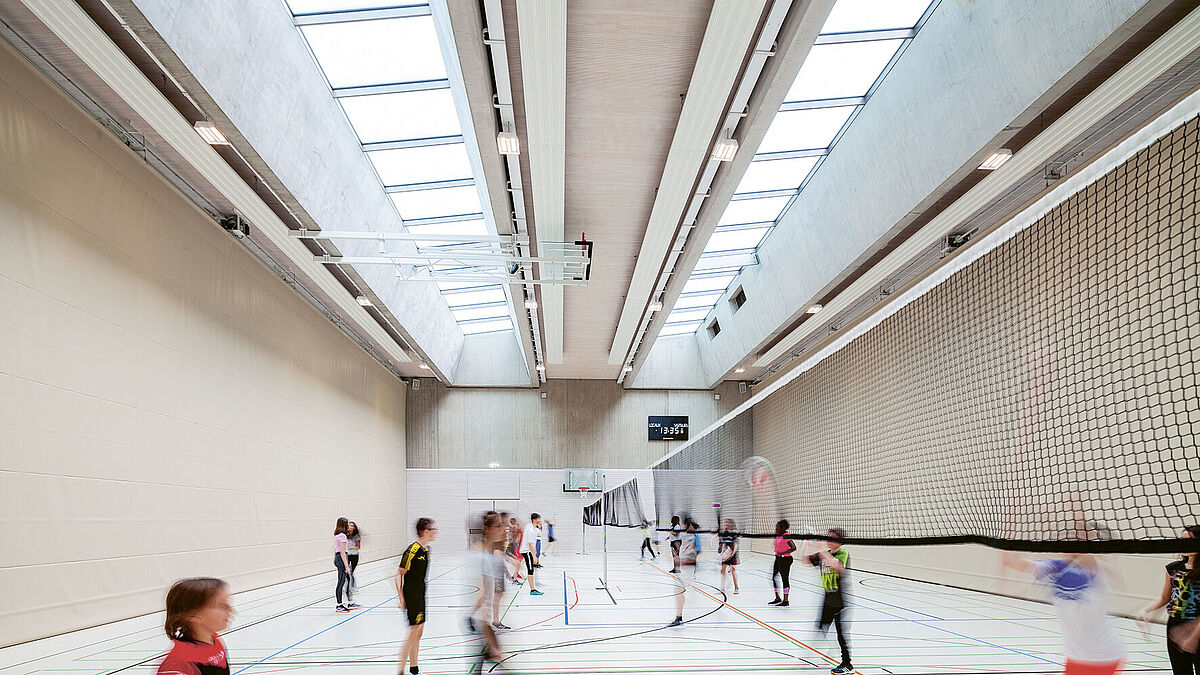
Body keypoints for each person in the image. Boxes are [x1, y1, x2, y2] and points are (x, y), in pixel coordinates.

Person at [1002, 538, 1125, 675]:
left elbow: (1087, 543)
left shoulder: (1095, 569)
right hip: (1076, 657)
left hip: (1104, 656)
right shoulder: (1055, 568)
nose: (1068, 539)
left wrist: (1079, 519)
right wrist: (1010, 539)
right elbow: (1013, 563)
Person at [1139, 525, 1200, 675]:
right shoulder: (1173, 569)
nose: (1183, 544)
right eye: (1182, 540)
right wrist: (1145, 610)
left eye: (1189, 541)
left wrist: (1192, 635)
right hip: (1174, 625)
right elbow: (1164, 597)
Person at [157, 577, 234, 674]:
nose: (231, 609)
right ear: (193, 615)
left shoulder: (216, 640)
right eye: (222, 605)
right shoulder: (178, 665)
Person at [396, 518, 437, 675]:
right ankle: (400, 670)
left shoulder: (427, 550)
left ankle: (414, 668)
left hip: (421, 593)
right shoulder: (412, 550)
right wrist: (401, 597)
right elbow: (398, 574)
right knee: (413, 632)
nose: (435, 532)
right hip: (412, 594)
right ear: (426, 531)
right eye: (433, 529)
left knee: (419, 632)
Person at [810, 527, 852, 675]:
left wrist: (822, 552)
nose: (828, 539)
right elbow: (806, 561)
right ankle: (831, 650)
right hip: (827, 599)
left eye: (832, 537)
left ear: (839, 541)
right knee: (821, 627)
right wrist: (809, 545)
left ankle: (847, 664)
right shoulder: (824, 553)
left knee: (841, 634)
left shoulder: (843, 554)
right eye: (827, 537)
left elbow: (839, 568)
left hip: (839, 601)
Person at [471, 512, 508, 668]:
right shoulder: (480, 556)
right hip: (481, 623)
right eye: (498, 525)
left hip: (483, 623)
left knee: (486, 660)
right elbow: (479, 592)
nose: (502, 529)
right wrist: (472, 614)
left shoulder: (488, 556)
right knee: (493, 658)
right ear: (486, 529)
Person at [668, 519, 699, 626]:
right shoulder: (687, 536)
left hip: (689, 568)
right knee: (679, 590)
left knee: (679, 590)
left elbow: (698, 552)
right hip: (686, 568)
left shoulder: (694, 537)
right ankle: (679, 616)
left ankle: (679, 617)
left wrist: (688, 560)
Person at [770, 519, 796, 606]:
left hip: (785, 559)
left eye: (777, 526)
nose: (776, 528)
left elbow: (793, 547)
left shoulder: (786, 536)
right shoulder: (777, 535)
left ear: (782, 528)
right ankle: (777, 598)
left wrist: (782, 553)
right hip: (778, 558)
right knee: (774, 577)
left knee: (784, 579)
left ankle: (786, 601)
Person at [332, 517, 354, 613]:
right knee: (341, 582)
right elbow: (342, 552)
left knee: (340, 581)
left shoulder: (336, 535)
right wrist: (346, 566)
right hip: (341, 558)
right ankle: (339, 604)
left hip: (337, 558)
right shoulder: (342, 536)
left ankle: (340, 603)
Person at [522, 513, 545, 596]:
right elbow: (530, 544)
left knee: (531, 570)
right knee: (530, 570)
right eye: (538, 519)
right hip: (526, 551)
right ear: (534, 520)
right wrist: (534, 556)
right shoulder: (531, 530)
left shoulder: (531, 527)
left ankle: (533, 588)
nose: (539, 521)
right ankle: (532, 590)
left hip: (528, 550)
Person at [719, 518, 740, 594]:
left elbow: (736, 544)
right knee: (723, 570)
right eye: (725, 522)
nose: (726, 524)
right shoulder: (725, 532)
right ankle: (722, 587)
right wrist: (722, 553)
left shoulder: (735, 532)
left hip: (733, 553)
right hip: (726, 553)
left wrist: (733, 554)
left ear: (731, 523)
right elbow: (724, 543)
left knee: (733, 570)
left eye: (728, 522)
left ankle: (736, 587)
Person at [346, 521, 362, 608]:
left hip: (355, 555)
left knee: (352, 572)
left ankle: (352, 586)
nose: (351, 527)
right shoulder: (345, 535)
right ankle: (350, 586)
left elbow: (358, 547)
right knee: (348, 572)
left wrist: (350, 548)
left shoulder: (356, 536)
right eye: (349, 525)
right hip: (348, 555)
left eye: (352, 526)